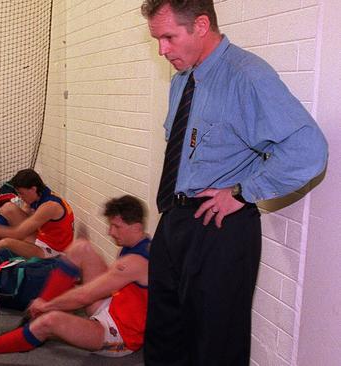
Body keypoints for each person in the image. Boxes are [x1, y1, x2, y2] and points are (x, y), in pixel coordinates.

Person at [140, 1, 328, 365]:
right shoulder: (183, 80)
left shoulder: (247, 75)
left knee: (214, 347)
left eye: (168, 37)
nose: (161, 49)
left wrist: (243, 192)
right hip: (174, 220)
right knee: (164, 336)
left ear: (200, 25)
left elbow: (309, 150)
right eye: (157, 39)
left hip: (219, 227)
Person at [0, 195, 150, 365]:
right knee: (81, 247)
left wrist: (47, 304)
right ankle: (34, 320)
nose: (110, 232)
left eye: (116, 226)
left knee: (48, 321)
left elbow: (84, 295)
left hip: (118, 336)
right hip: (113, 307)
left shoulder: (134, 263)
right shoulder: (139, 244)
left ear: (136, 226)